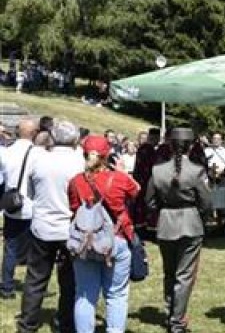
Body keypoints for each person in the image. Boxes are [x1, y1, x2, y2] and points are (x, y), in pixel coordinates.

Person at [16, 120, 84, 333]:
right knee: (69, 280)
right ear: (74, 139)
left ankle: (27, 323)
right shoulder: (79, 162)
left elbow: (29, 192)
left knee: (35, 278)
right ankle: (65, 322)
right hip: (70, 227)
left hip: (43, 226)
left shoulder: (40, 160)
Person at [68, 135, 140, 333]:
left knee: (84, 295)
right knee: (116, 294)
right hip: (116, 240)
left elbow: (74, 209)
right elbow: (137, 192)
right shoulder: (119, 179)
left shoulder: (75, 182)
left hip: (84, 243)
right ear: (107, 155)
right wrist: (124, 173)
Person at [146, 128, 213, 333]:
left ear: (169, 144)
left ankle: (171, 313)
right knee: (183, 276)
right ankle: (177, 320)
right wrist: (197, 214)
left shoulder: (157, 171)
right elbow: (207, 202)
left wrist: (164, 209)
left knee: (169, 273)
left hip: (166, 223)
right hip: (190, 224)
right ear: (191, 146)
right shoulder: (196, 170)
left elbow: (149, 202)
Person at [0, 118, 40, 300]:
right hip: (30, 206)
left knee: (10, 248)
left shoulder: (7, 151)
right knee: (35, 251)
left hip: (11, 204)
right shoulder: (37, 154)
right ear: (34, 133)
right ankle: (33, 288)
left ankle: (7, 286)